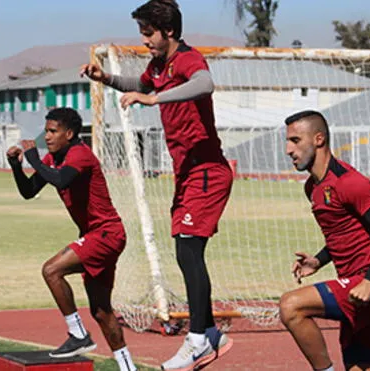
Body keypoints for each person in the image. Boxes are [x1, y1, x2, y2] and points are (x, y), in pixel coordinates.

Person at [80, 1, 233, 369]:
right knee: (185, 249)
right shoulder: (160, 66)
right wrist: (107, 79)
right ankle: (209, 334)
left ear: (168, 31)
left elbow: (204, 84)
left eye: (148, 32)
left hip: (207, 170)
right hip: (187, 173)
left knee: (188, 250)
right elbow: (141, 83)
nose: (144, 39)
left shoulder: (188, 59)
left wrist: (154, 98)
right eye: (142, 32)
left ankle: (198, 338)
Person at [7, 108, 137, 371]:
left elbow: (62, 180)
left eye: (53, 131)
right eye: (46, 131)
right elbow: (30, 191)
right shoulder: (53, 157)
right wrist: (17, 167)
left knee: (51, 270)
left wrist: (34, 159)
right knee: (101, 311)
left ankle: (77, 334)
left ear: (69, 133)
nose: (48, 136)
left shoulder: (80, 155)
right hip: (96, 236)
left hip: (106, 234)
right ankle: (128, 368)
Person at [280, 110, 370, 371]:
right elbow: (344, 233)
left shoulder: (348, 182)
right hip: (357, 290)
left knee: (291, 306)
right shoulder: (311, 187)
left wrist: (369, 282)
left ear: (318, 139)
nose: (288, 149)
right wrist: (319, 260)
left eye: (295, 140)